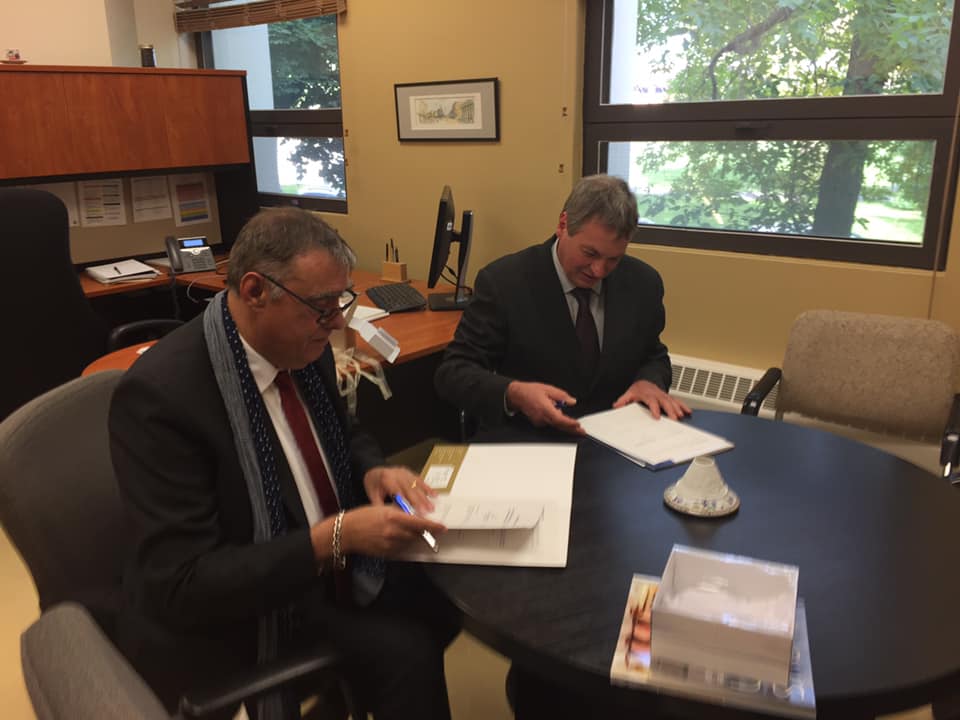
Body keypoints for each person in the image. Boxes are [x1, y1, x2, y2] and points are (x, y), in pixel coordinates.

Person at [109, 208, 458, 720]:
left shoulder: (303, 348)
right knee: (407, 655)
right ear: (255, 291)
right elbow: (182, 585)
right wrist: (332, 539)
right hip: (251, 604)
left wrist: (372, 469)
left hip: (326, 558)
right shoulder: (162, 398)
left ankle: (349, 695)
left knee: (448, 597)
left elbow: (343, 432)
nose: (337, 323)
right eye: (321, 307)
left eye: (340, 302)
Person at [434, 174, 690, 434]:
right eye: (590, 253)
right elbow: (453, 372)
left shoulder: (643, 283)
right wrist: (513, 393)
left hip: (614, 438)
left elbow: (653, 355)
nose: (599, 270)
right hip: (530, 438)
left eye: (613, 259)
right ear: (563, 224)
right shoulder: (504, 282)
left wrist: (649, 382)